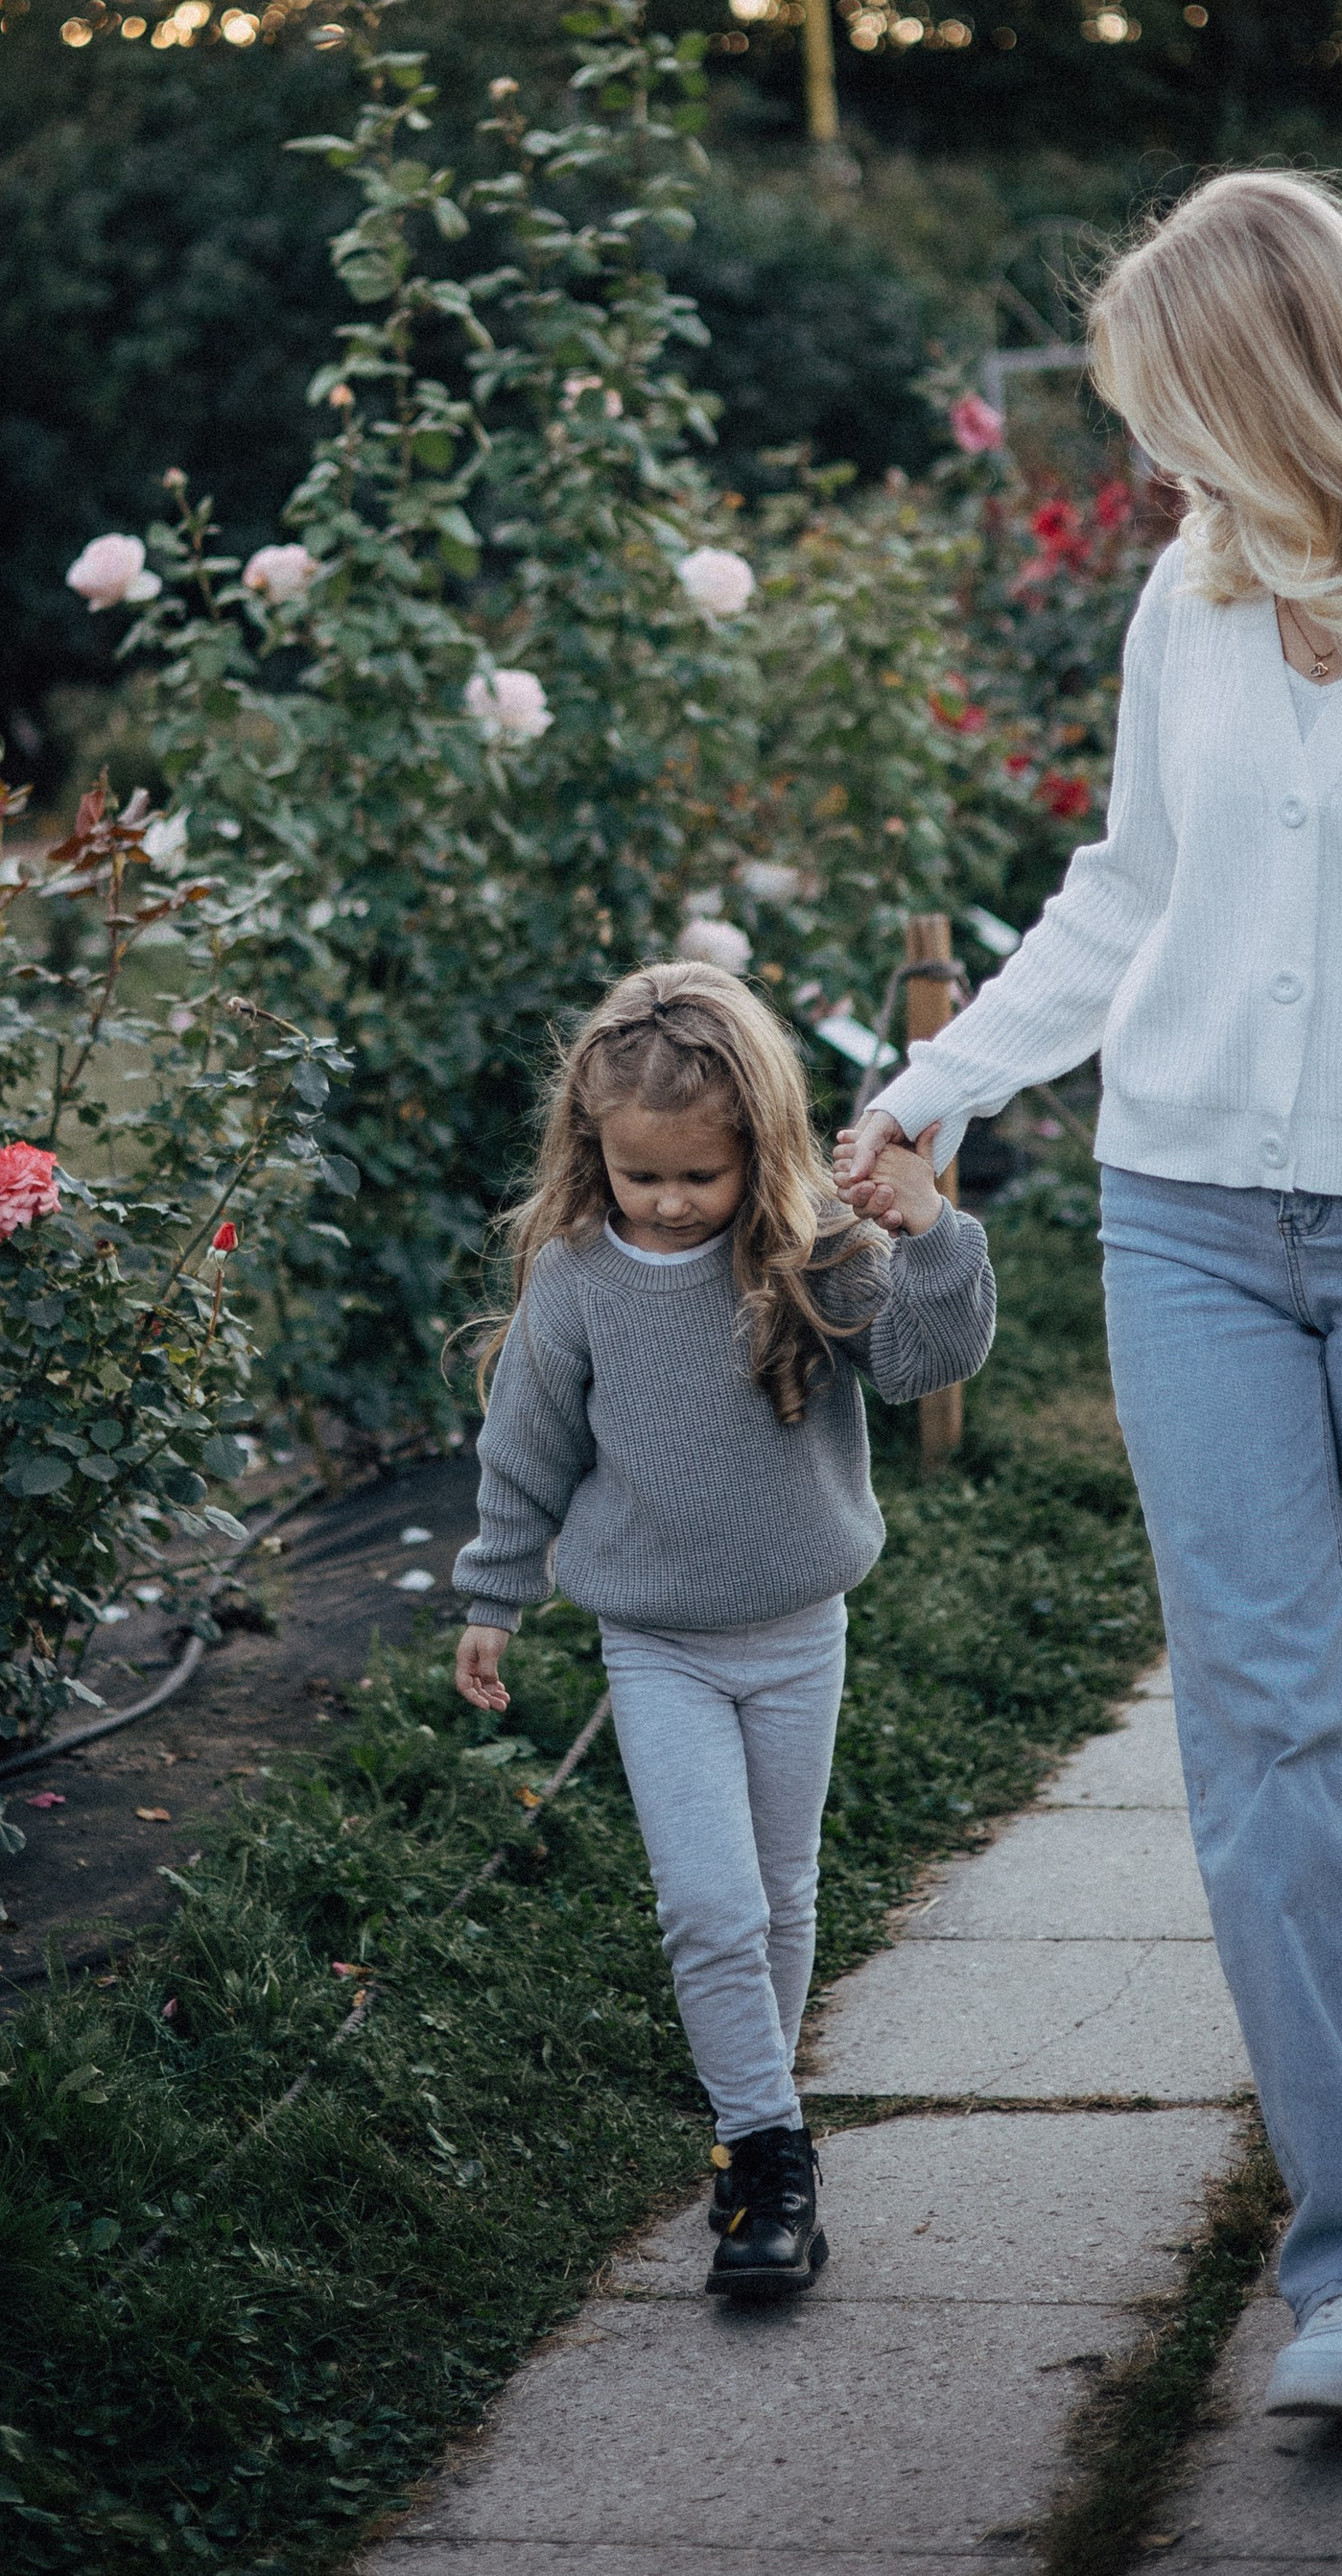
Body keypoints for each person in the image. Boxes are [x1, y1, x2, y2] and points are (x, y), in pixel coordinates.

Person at [836, 169, 1342, 2421]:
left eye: (1170, 408)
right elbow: (1126, 895)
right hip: (1185, 1222)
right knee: (1267, 1737)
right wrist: (933, 1088)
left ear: (1280, 382)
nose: (1147, 460)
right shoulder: (1185, 600)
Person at [451, 960, 995, 2297]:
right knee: (710, 1903)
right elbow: (527, 1441)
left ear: (759, 1141)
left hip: (800, 1629)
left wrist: (932, 1230)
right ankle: (767, 2153)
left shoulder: (811, 1250)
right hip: (659, 1644)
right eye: (640, 1174)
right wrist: (494, 1594)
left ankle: (754, 2131)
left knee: (781, 1897)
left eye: (700, 1174)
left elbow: (927, 1362)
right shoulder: (579, 1278)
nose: (670, 1200)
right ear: (593, 1148)